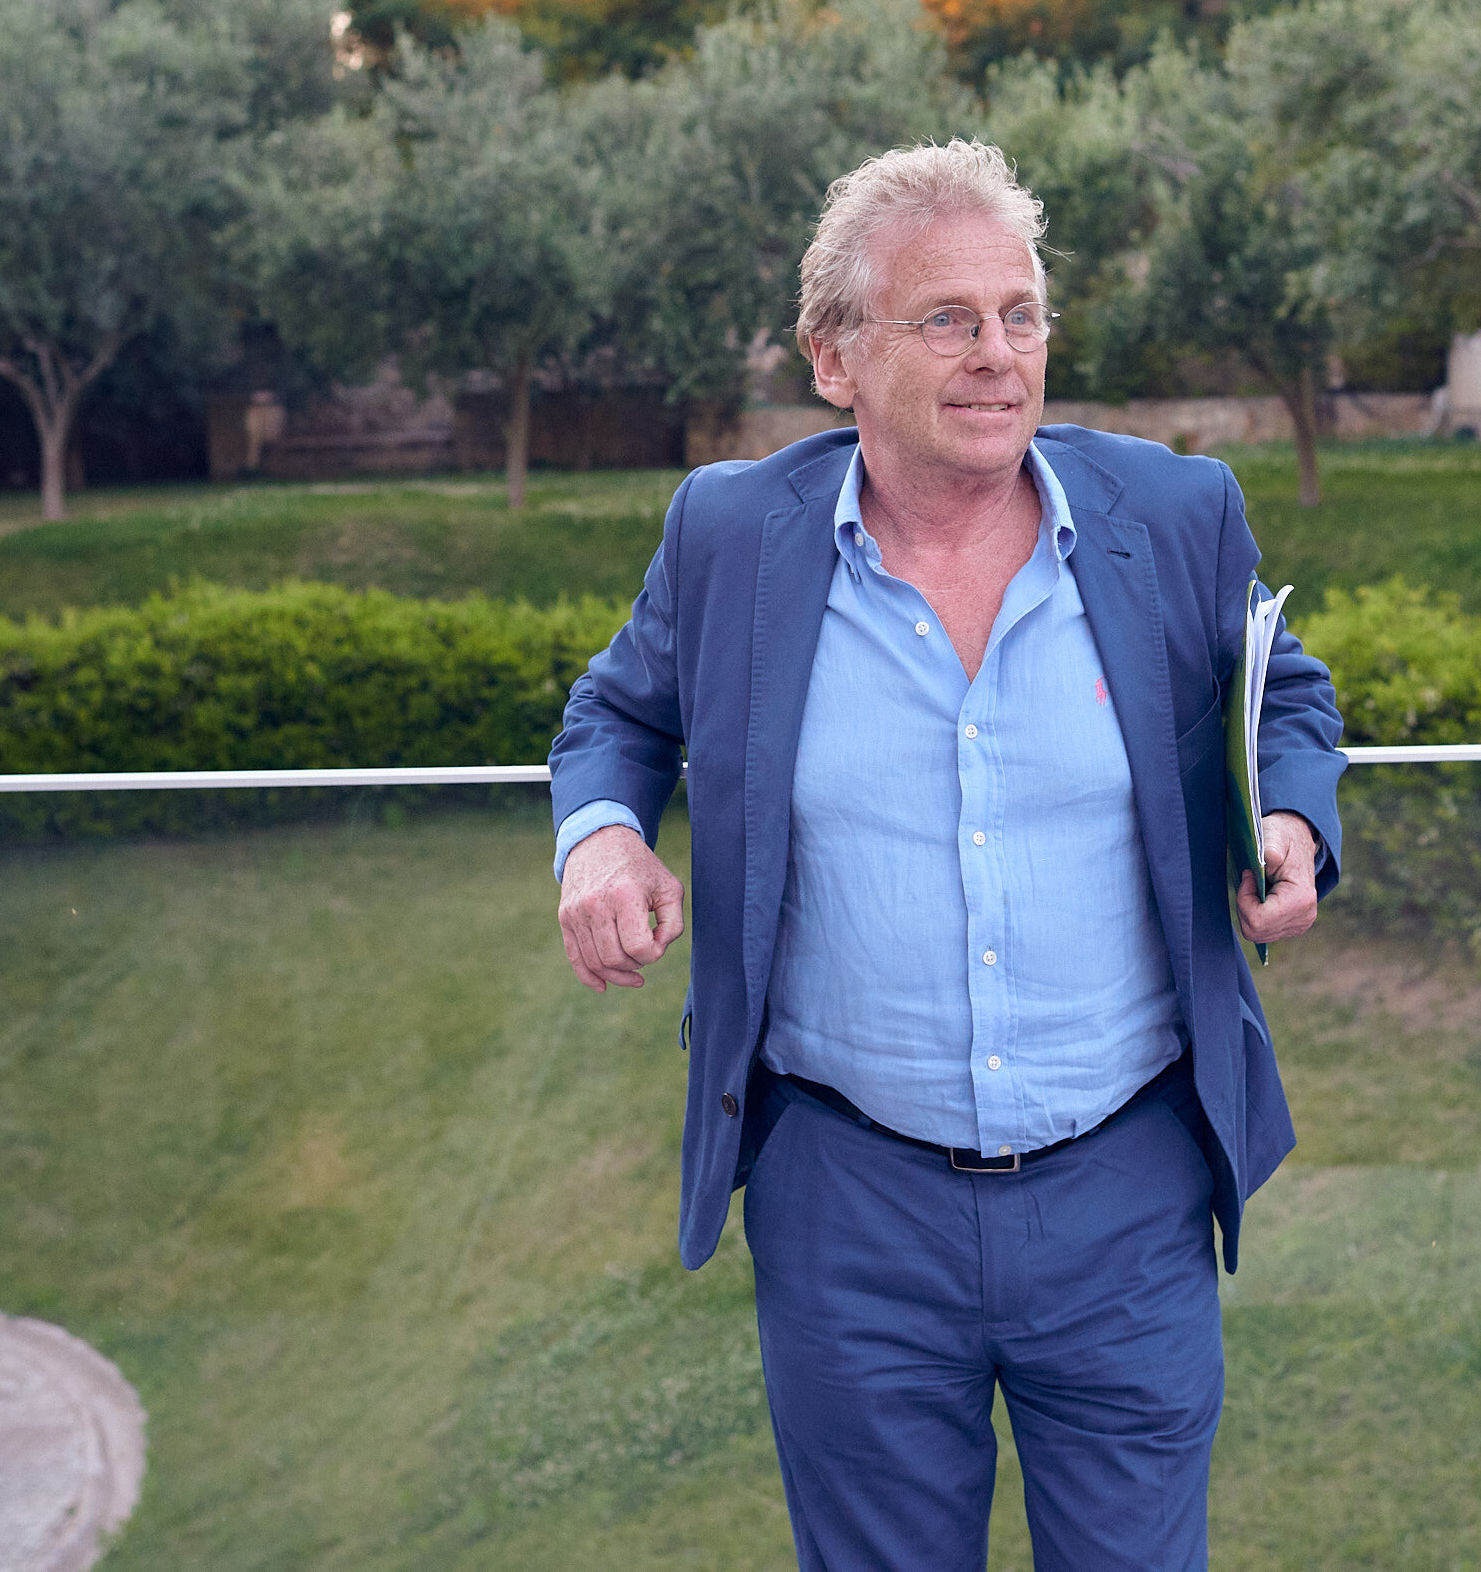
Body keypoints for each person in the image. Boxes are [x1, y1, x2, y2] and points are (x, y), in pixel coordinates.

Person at [550, 140, 1344, 1569]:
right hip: (849, 1207)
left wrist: (1289, 816)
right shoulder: (733, 536)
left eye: (1021, 314)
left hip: (1128, 1193)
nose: (998, 356)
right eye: (948, 319)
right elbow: (616, 711)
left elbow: (1285, 691)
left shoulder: (1170, 517)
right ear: (835, 361)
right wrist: (601, 841)